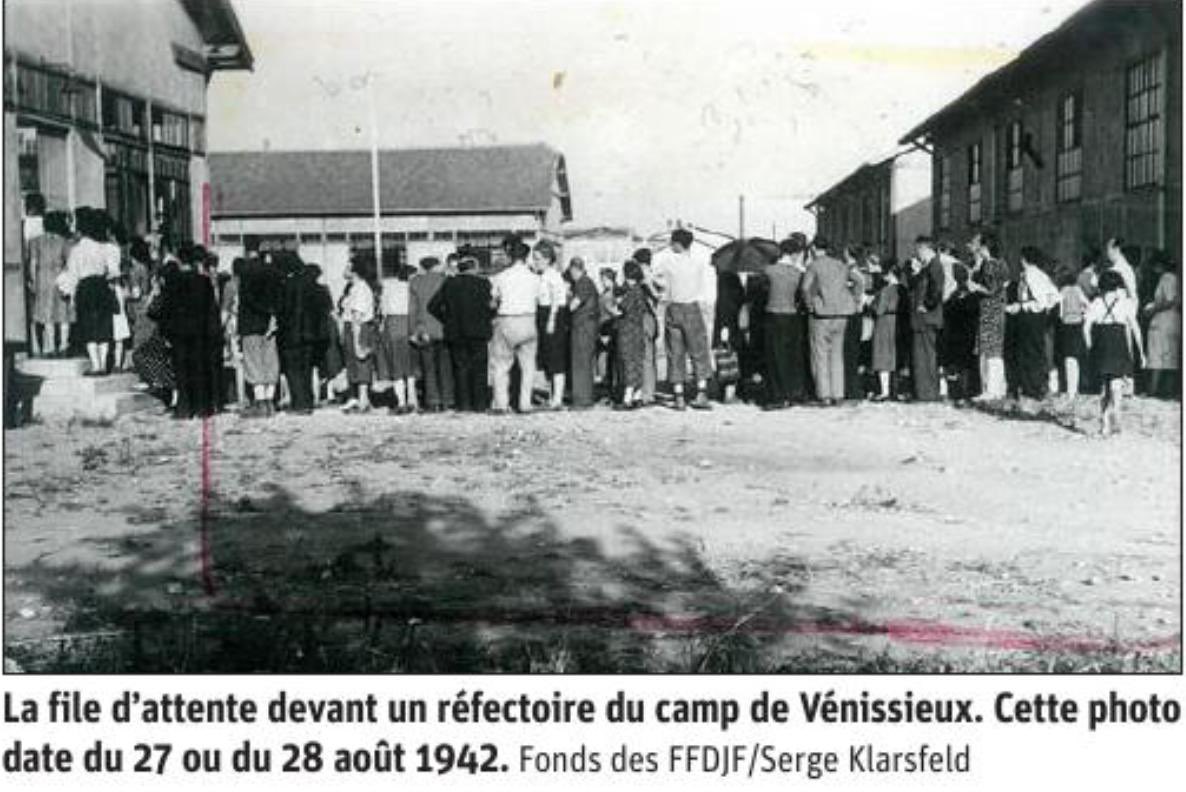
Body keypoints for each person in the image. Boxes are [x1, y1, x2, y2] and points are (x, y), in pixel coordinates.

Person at [155, 245, 220, 419]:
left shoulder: (172, 281)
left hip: (179, 333)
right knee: (199, 369)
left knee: (181, 370)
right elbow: (211, 310)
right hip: (200, 333)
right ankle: (202, 408)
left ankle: (184, 409)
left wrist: (165, 332)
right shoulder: (204, 281)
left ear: (180, 260)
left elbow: (165, 310)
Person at [651, 228, 712, 410]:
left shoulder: (667, 262)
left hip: (673, 308)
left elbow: (656, 278)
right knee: (699, 352)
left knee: (675, 353)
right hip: (692, 307)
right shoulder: (698, 262)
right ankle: (701, 393)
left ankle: (679, 397)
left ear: (677, 243)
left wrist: (661, 290)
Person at [429, 250, 493, 412]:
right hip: (479, 331)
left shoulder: (450, 283)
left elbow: (432, 306)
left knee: (460, 368)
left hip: (456, 332)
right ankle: (480, 404)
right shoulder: (484, 283)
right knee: (479, 368)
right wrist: (488, 317)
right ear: (475, 268)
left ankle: (464, 404)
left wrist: (447, 319)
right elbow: (492, 306)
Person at [1084, 270, 1144, 435]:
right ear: (1117, 286)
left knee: (1104, 385)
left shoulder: (1096, 302)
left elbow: (1086, 327)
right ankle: (1116, 413)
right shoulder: (1125, 303)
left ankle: (1104, 423)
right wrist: (1141, 351)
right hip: (1118, 344)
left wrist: (1089, 345)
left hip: (1101, 344)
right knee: (1116, 383)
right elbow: (1135, 328)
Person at [64, 207, 120, 376]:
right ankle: (103, 365)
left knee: (88, 327)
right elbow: (113, 271)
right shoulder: (104, 248)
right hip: (102, 286)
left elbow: (72, 275)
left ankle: (95, 366)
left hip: (85, 288)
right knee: (103, 326)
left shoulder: (76, 250)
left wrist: (71, 295)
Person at [801, 234, 856, 405]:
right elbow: (859, 281)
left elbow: (805, 288)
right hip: (842, 314)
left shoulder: (814, 266)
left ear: (814, 249)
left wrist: (810, 304)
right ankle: (838, 394)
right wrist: (854, 299)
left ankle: (824, 395)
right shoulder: (841, 265)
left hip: (821, 314)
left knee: (820, 355)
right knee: (837, 355)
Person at [489, 240, 539, 413]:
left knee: (501, 365)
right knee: (528, 365)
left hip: (507, 319)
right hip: (529, 319)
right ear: (526, 257)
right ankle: (525, 403)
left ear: (510, 256)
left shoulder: (501, 277)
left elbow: (493, 300)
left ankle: (501, 404)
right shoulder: (534, 278)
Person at [1005, 246, 1060, 400]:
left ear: (1024, 259)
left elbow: (1040, 300)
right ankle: (1037, 387)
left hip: (1030, 318)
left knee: (1029, 353)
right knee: (1035, 352)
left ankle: (1033, 388)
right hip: (1035, 317)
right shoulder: (1041, 275)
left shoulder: (1031, 275)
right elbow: (1054, 296)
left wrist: (1026, 306)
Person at [763, 233, 810, 409]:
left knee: (774, 357)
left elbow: (760, 294)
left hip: (773, 315)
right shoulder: (797, 273)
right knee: (792, 356)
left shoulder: (768, 270)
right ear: (794, 254)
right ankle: (792, 393)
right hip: (792, 316)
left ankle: (777, 396)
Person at [278, 258, 328, 415]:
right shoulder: (316, 287)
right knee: (306, 369)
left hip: (291, 333)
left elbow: (284, 309)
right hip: (311, 334)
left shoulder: (287, 284)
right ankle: (307, 401)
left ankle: (298, 404)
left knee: (293, 370)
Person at [237, 253, 282, 417]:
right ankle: (270, 403)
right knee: (270, 362)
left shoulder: (246, 272)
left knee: (253, 363)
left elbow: (247, 299)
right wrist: (272, 314)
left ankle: (260, 403)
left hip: (250, 324)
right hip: (270, 324)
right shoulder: (273, 272)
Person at [968, 231, 1009, 399]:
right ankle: (997, 389)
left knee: (988, 351)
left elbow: (990, 289)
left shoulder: (989, 265)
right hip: (998, 309)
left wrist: (975, 287)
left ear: (986, 247)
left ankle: (989, 390)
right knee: (995, 351)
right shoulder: (1003, 264)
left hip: (988, 310)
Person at [409, 255, 453, 411]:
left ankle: (433, 401)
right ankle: (448, 400)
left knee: (428, 367)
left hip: (424, 329)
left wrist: (413, 330)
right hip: (443, 328)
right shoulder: (445, 280)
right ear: (435, 266)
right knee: (445, 366)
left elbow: (413, 309)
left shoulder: (415, 282)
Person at [26, 210, 72, 358]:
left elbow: (33, 263)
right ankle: (64, 345)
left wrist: (33, 280)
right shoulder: (64, 241)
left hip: (42, 277)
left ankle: (50, 346)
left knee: (46, 314)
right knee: (63, 313)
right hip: (59, 277)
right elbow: (69, 263)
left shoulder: (35, 241)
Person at [376, 263, 420, 414]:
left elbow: (383, 309)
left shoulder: (388, 288)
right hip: (408, 322)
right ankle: (412, 400)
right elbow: (415, 309)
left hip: (392, 324)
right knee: (411, 364)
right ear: (410, 276)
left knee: (396, 365)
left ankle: (400, 401)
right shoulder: (412, 289)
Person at [907, 235, 945, 401]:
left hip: (927, 317)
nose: (917, 254)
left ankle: (928, 393)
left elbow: (937, 289)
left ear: (925, 249)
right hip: (921, 319)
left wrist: (927, 305)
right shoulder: (927, 267)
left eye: (918, 250)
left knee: (926, 356)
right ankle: (923, 391)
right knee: (920, 356)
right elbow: (914, 284)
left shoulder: (935, 266)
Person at [532, 240, 570, 409]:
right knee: (547, 357)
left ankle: (558, 398)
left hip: (552, 315)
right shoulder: (542, 275)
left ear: (547, 259)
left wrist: (552, 320)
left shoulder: (553, 276)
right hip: (543, 314)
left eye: (538, 259)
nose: (535, 262)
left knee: (555, 358)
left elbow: (557, 299)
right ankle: (552, 395)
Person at [340, 254, 379, 413]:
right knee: (352, 363)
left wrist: (357, 341)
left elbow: (357, 316)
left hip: (359, 327)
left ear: (355, 271)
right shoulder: (353, 288)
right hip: (352, 327)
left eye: (348, 267)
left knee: (361, 360)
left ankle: (363, 398)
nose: (345, 270)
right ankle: (355, 397)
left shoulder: (361, 288)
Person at [1143, 251, 1181, 399]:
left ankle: (1153, 390)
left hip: (1163, 321)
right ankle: (1168, 391)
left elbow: (1170, 300)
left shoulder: (1167, 278)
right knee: (1170, 357)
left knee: (1157, 357)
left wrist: (1152, 309)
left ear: (1159, 265)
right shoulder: (1175, 278)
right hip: (1172, 320)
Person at [940, 262, 980, 402]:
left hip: (962, 334)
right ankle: (961, 393)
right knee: (961, 364)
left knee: (962, 364)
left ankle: (964, 393)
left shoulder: (961, 295)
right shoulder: (961, 294)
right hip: (960, 334)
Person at [613, 260, 649, 409]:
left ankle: (627, 398)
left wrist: (614, 305)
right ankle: (637, 396)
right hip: (638, 330)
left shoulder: (631, 292)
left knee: (627, 362)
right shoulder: (640, 291)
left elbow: (620, 309)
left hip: (627, 329)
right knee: (637, 361)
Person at [567, 257, 601, 409]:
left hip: (583, 327)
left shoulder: (583, 283)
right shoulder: (587, 282)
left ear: (574, 269)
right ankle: (585, 398)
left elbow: (573, 305)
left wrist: (565, 299)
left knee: (581, 363)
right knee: (585, 363)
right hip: (586, 327)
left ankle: (582, 400)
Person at [871, 265, 906, 401]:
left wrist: (872, 303)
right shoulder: (903, 289)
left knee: (883, 356)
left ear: (891, 274)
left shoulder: (886, 290)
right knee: (896, 356)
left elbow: (879, 310)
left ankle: (884, 391)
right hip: (899, 323)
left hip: (885, 322)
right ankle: (897, 389)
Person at [632, 248, 660, 405]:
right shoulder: (654, 274)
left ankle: (646, 394)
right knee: (649, 356)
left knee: (645, 357)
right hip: (651, 318)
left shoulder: (645, 275)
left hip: (645, 317)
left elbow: (654, 294)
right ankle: (649, 391)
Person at [1056, 268, 1089, 398]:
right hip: (1078, 325)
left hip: (1066, 326)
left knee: (1068, 359)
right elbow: (1087, 304)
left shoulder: (1063, 291)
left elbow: (1059, 311)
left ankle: (1070, 390)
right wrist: (1082, 312)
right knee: (1076, 357)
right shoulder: (1078, 290)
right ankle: (1075, 388)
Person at [840, 245, 868, 399]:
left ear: (847, 253)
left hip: (850, 313)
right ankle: (853, 387)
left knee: (848, 352)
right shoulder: (863, 270)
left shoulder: (850, 272)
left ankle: (850, 388)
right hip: (858, 313)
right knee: (854, 352)